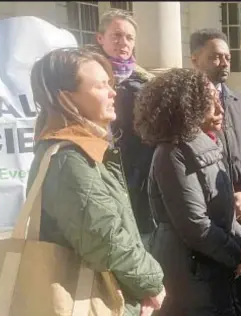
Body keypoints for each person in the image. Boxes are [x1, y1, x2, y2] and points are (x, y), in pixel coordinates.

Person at [27, 47, 165, 316]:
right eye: (101, 86)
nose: (113, 92)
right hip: (98, 311)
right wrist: (152, 283)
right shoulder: (68, 158)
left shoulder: (85, 149)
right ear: (66, 98)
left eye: (110, 84)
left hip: (110, 304)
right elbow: (105, 238)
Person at [134, 68, 241, 316]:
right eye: (208, 101)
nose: (219, 107)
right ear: (186, 107)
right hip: (189, 273)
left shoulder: (209, 144)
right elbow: (195, 225)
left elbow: (223, 211)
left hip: (212, 266)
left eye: (217, 99)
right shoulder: (171, 153)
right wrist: (235, 255)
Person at [190, 28, 241, 316]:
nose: (223, 62)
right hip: (211, 223)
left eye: (227, 56)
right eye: (215, 57)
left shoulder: (240, 101)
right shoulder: (186, 105)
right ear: (195, 59)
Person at [89, 9, 156, 245]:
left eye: (129, 38)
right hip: (98, 170)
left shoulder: (145, 83)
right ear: (100, 38)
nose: (123, 43)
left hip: (138, 176)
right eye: (116, 36)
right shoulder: (83, 78)